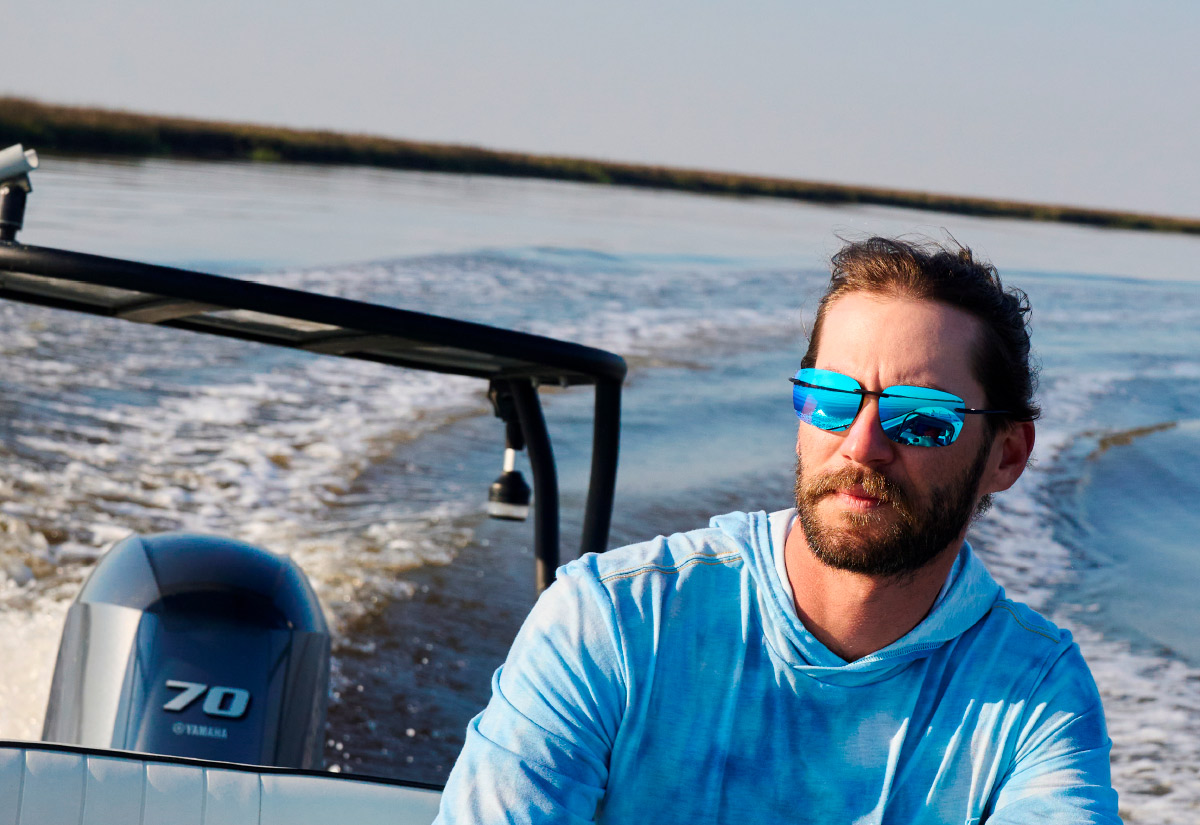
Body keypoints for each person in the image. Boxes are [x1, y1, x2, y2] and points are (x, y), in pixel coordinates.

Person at [435, 237, 1121, 824]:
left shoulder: (1033, 694)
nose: (861, 444)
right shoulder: (614, 620)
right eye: (831, 397)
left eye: (921, 416)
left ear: (1007, 454)